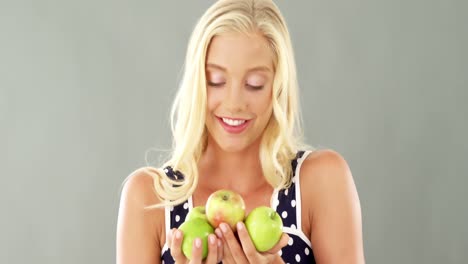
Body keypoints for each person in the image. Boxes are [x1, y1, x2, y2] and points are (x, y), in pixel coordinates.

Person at [116, 0, 365, 263]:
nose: (234, 103)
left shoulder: (321, 181)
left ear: (278, 87)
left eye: (254, 84)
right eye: (217, 81)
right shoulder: (148, 197)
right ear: (197, 83)